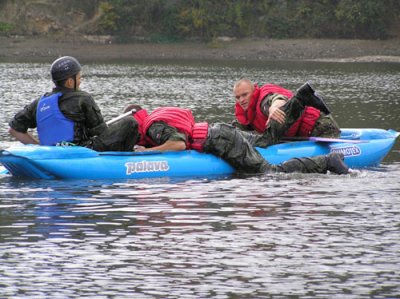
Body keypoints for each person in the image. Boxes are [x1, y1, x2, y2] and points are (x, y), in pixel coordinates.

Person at [123, 103, 349, 175]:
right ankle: (299, 100)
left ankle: (328, 161)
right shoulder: (156, 116)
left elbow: (179, 143)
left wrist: (146, 152)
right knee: (266, 142)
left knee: (270, 173)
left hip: (221, 140)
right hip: (221, 132)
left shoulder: (152, 127)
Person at [8, 56, 139, 151]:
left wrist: (41, 148)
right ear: (70, 82)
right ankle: (125, 159)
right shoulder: (83, 98)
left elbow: (14, 130)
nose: (80, 82)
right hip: (82, 151)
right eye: (79, 78)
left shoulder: (39, 103)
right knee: (130, 122)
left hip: (51, 154)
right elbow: (101, 132)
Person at [232, 79, 341, 139]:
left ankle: (304, 96)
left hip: (320, 126)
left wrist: (274, 108)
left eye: (245, 95)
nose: (241, 100)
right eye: (238, 97)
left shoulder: (263, 100)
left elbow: (277, 99)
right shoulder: (246, 113)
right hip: (300, 135)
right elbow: (235, 128)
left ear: (253, 91)